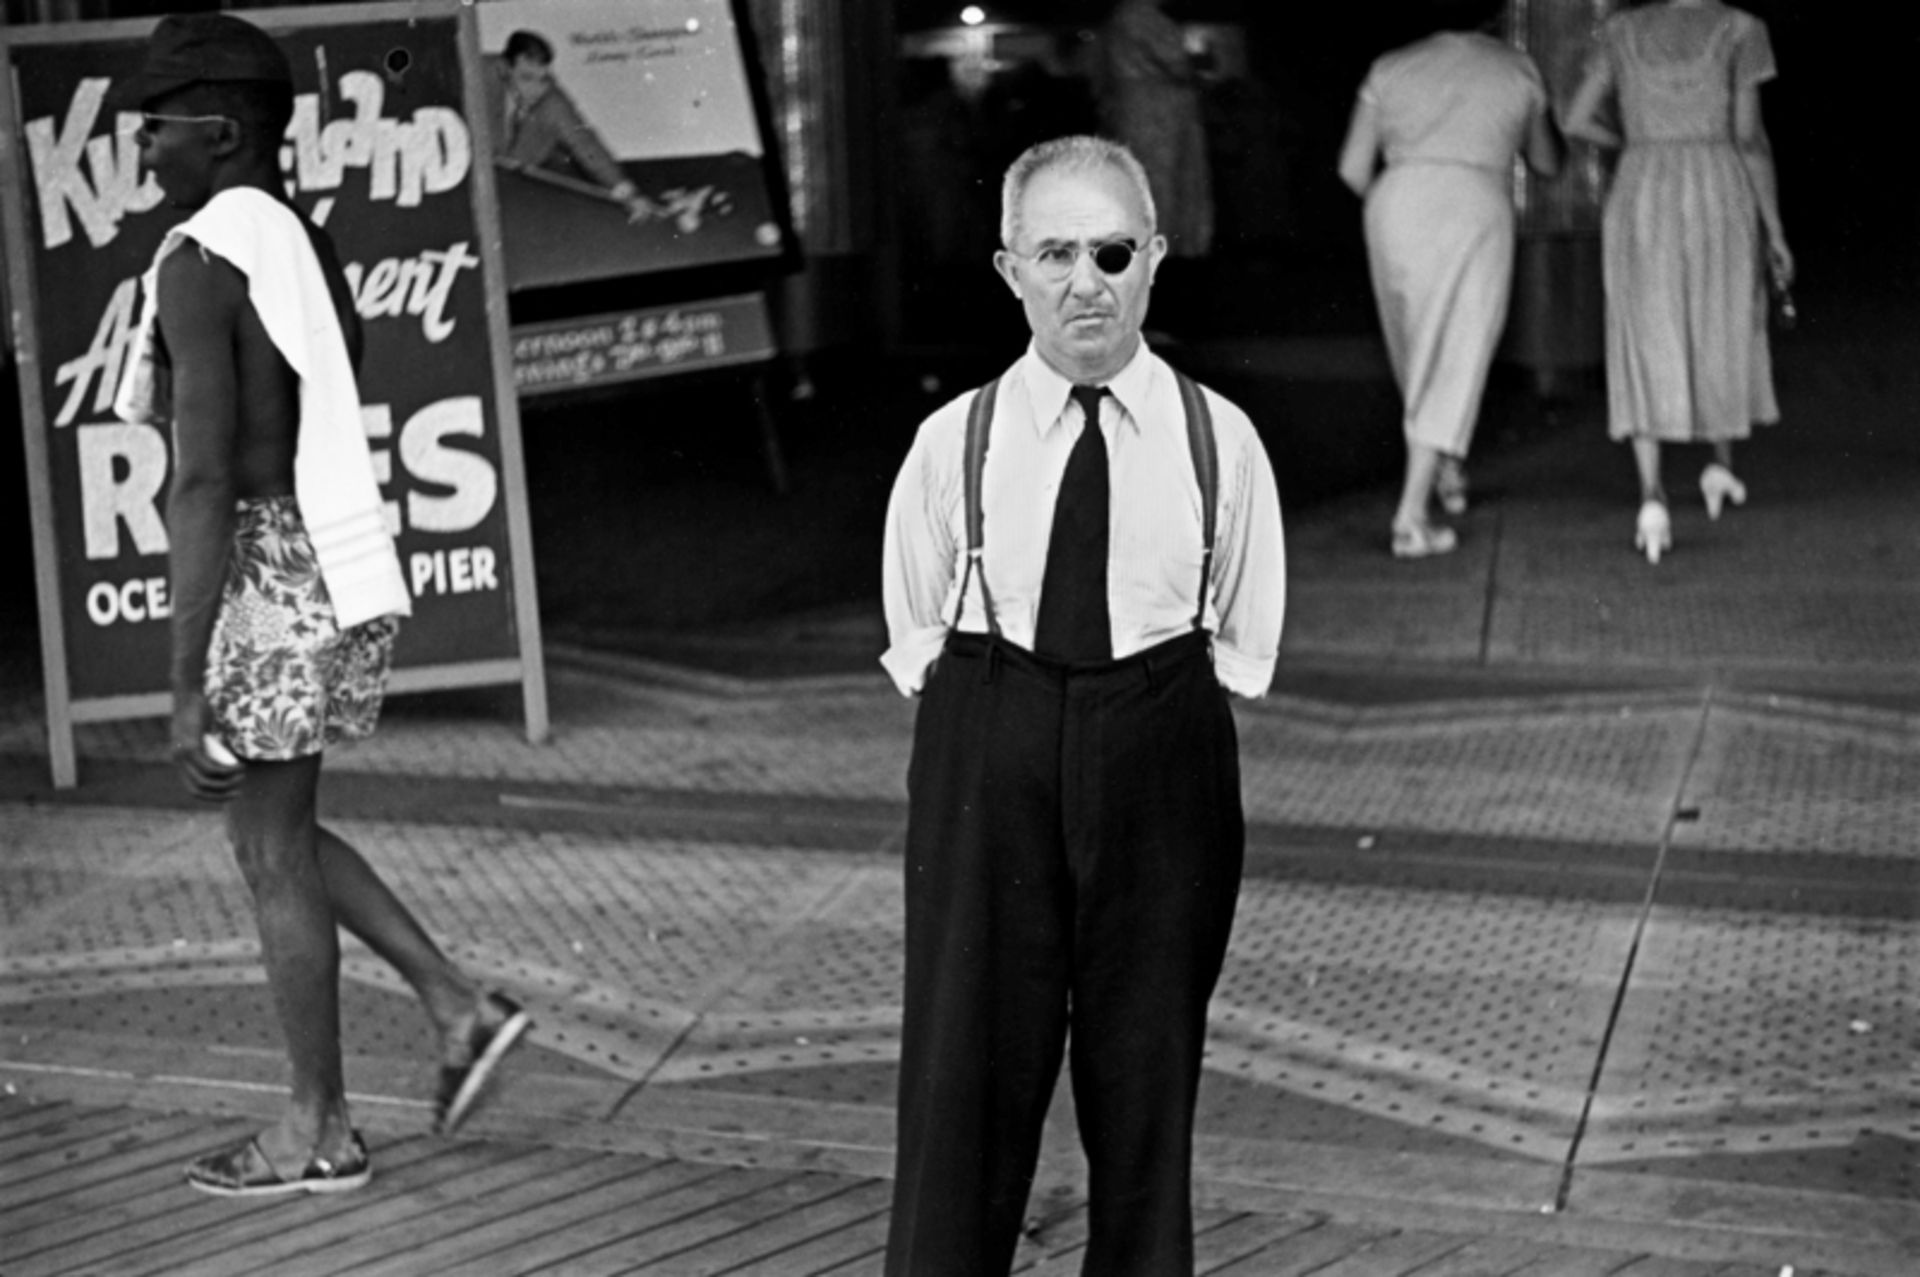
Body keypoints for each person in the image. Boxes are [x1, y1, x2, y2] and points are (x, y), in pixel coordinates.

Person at [114, 12, 529, 1197]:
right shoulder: (304, 237)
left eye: (157, 130)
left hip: (260, 573)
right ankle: (457, 1005)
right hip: (335, 559)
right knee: (275, 831)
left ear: (222, 130)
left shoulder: (202, 259)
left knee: (265, 849)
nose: (145, 152)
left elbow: (201, 478)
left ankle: (317, 1127)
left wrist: (184, 678)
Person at [879, 135, 1285, 1274]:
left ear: (1154, 258)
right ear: (1008, 269)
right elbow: (918, 624)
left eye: (1110, 250)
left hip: (1163, 739)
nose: (1083, 282)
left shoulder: (1224, 443)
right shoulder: (950, 441)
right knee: (964, 1068)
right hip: (989, 728)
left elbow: (1242, 632)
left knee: (1146, 1069)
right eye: (1053, 252)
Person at [1564, 0, 1792, 564]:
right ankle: (1720, 465)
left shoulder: (1620, 30)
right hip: (1718, 185)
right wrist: (1776, 230)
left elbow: (1573, 119)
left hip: (1642, 186)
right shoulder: (1742, 29)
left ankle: (1652, 497)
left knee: (1646, 329)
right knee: (1723, 317)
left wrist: (1635, 144)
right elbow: (1750, 139)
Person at [1337, 0, 1562, 558]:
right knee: (1457, 351)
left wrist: (1401, 207)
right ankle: (1411, 518)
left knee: (1416, 351)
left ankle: (1447, 470)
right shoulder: (1516, 68)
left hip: (1396, 203)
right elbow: (1548, 161)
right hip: (1473, 206)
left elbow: (1352, 168)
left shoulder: (1393, 65)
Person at [485, 29, 652, 223]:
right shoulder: (478, 74)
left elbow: (586, 145)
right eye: (526, 78)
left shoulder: (552, 100)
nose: (536, 90)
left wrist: (629, 194)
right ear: (505, 69)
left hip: (514, 196)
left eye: (543, 79)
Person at [1096, 0, 1214, 260]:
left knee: (1150, 181)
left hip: (1143, 112)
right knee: (1162, 183)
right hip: (1158, 116)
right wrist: (1199, 62)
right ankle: (1166, 250)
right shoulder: (1140, 14)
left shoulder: (1122, 16)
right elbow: (1177, 61)